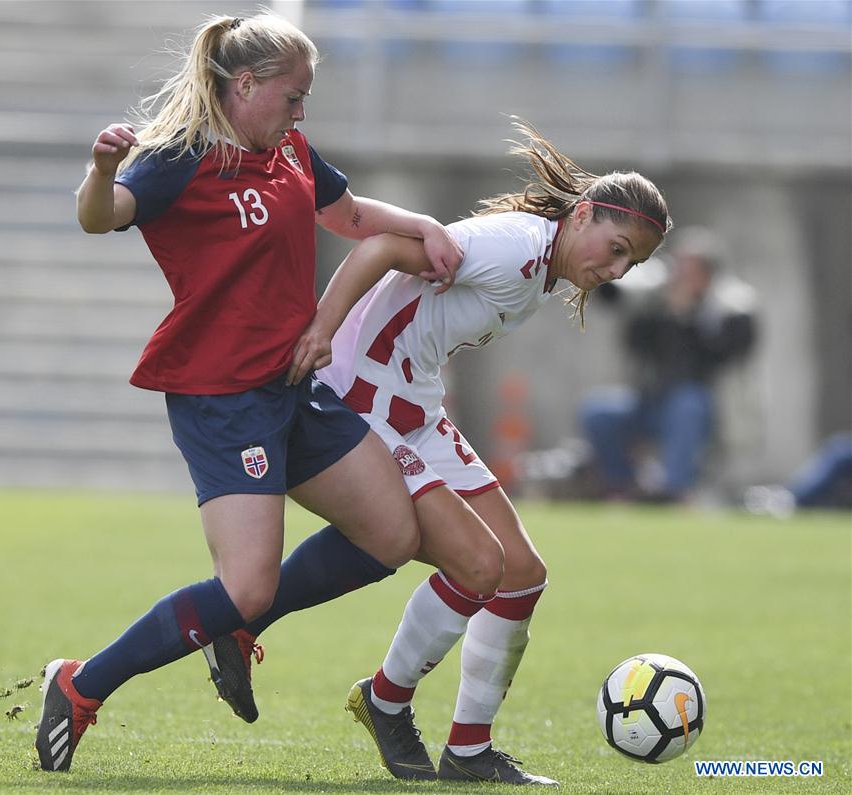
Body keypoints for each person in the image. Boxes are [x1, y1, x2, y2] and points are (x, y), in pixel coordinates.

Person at [34, 12, 464, 773]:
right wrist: (100, 170)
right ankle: (81, 684)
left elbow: (350, 214)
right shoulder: (176, 159)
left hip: (293, 384)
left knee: (390, 536)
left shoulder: (289, 146)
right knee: (244, 580)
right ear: (245, 85)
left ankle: (236, 622)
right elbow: (101, 219)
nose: (302, 112)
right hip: (220, 395)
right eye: (292, 97)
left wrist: (425, 225)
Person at [206, 120, 671, 785]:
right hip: (365, 400)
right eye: (618, 247)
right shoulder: (514, 248)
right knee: (478, 565)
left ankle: (469, 749)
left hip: (414, 406)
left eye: (633, 263)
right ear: (587, 213)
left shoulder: (541, 264)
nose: (618, 269)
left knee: (521, 574)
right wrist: (321, 331)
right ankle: (382, 699)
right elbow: (383, 248)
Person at [580, 227, 756, 502]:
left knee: (687, 404)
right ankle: (622, 488)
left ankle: (674, 492)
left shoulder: (731, 309)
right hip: (652, 402)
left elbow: (727, 355)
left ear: (708, 275)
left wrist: (690, 318)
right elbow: (634, 345)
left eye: (689, 271)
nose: (679, 277)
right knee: (599, 411)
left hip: (705, 408)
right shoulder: (658, 305)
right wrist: (653, 312)